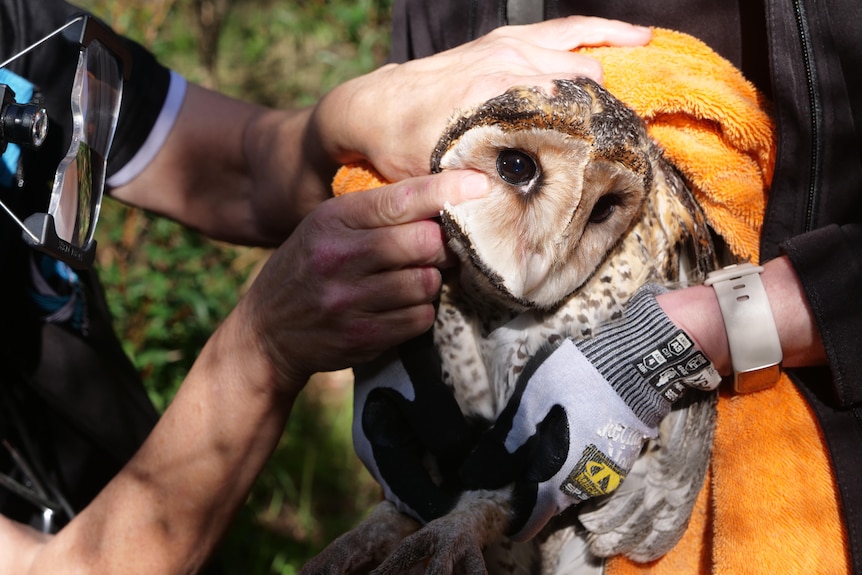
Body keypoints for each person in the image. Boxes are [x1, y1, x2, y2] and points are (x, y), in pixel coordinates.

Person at [0, 1, 655, 572]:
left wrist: (360, 112)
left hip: (123, 482)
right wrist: (264, 347)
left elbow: (243, 171)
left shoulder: (19, 37)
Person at [380, 0, 862, 572]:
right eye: (517, 167)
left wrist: (704, 329)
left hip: (799, 476)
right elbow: (366, 150)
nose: (551, 246)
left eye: (604, 203)